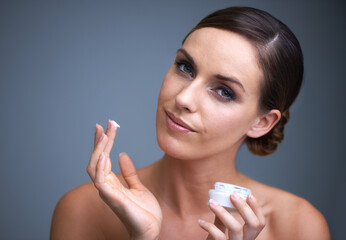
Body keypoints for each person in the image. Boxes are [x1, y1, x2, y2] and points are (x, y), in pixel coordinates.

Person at [50, 6, 330, 240]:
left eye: (224, 91)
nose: (184, 98)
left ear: (261, 122)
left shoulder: (297, 226)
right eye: (185, 67)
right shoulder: (84, 209)